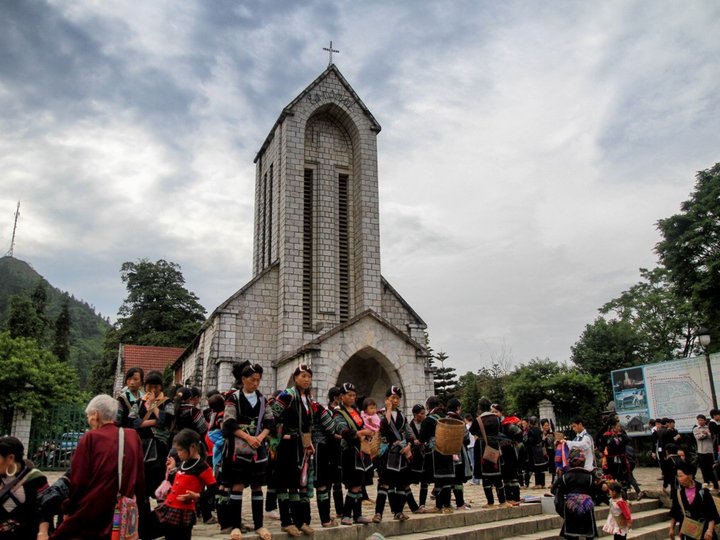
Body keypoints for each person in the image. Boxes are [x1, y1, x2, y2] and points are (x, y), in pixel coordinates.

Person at [51, 394, 145, 539]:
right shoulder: (132, 436)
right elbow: (139, 478)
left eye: (89, 416)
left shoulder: (91, 438)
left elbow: (78, 481)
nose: (89, 420)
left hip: (92, 511)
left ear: (95, 414)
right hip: (122, 513)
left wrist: (68, 507)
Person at [222, 361, 274, 540]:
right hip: (239, 447)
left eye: (258, 380)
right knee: (237, 485)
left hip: (258, 448)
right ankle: (235, 525)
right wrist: (248, 437)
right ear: (243, 379)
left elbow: (270, 422)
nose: (256, 384)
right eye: (252, 380)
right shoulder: (233, 398)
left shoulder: (262, 399)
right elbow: (229, 422)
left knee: (257, 486)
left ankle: (259, 525)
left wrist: (260, 437)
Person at [144, 429, 217, 540]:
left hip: (183, 512)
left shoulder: (203, 467)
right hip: (168, 507)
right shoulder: (184, 463)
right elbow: (179, 480)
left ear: (192, 447)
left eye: (180, 450)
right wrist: (173, 469)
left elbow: (213, 488)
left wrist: (197, 496)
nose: (178, 453)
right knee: (145, 528)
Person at [271, 364, 316, 536]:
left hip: (301, 444)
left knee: (297, 483)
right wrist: (279, 436)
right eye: (303, 376)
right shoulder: (287, 395)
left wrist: (308, 441)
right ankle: (286, 521)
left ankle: (299, 521)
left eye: (309, 377)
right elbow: (272, 414)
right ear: (295, 377)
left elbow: (307, 423)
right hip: (286, 444)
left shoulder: (307, 398)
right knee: (284, 481)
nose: (306, 379)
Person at [129, 370, 175, 500]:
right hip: (141, 444)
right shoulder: (138, 403)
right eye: (150, 386)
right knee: (143, 478)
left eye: (156, 386)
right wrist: (155, 422)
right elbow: (134, 422)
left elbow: (167, 420)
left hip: (160, 446)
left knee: (159, 476)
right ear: (145, 387)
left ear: (161, 387)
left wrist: (153, 405)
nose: (153, 389)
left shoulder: (167, 402)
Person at [335, 382, 374, 525]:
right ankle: (346, 515)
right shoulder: (338, 412)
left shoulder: (355, 411)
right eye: (349, 395)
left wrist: (367, 433)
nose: (352, 398)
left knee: (359, 484)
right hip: (349, 451)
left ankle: (358, 515)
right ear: (341, 396)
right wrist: (360, 433)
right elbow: (342, 430)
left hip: (360, 451)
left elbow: (361, 426)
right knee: (354, 484)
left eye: (353, 395)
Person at [374, 386, 415, 522]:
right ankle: (378, 513)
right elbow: (386, 425)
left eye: (397, 398)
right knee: (384, 483)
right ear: (387, 399)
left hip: (401, 453)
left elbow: (409, 434)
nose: (395, 401)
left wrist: (409, 445)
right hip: (387, 453)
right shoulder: (380, 414)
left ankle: (399, 511)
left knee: (402, 483)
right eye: (393, 398)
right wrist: (389, 409)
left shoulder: (403, 416)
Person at [0, 437, 50, 539]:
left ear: (10, 458)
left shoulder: (36, 478)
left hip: (28, 534)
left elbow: (46, 509)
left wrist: (43, 532)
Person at [469, 397, 508, 508]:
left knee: (485, 475)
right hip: (495, 447)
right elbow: (500, 431)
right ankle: (502, 501)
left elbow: (472, 431)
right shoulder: (496, 418)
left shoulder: (479, 420)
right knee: (497, 474)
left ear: (479, 407)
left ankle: (490, 502)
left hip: (482, 447)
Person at [553, 448, 598, 540]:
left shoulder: (565, 477)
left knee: (571, 534)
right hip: (587, 507)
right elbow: (594, 491)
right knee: (588, 532)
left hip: (570, 507)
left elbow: (555, 489)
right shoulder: (589, 477)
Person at [669, 461, 719, 540]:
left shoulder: (703, 491)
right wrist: (671, 528)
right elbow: (675, 511)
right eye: (678, 476)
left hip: (704, 532)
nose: (679, 479)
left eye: (681, 476)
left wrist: (709, 530)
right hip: (687, 532)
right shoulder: (678, 492)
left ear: (690, 475)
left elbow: (712, 513)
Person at [446, 398, 472, 510]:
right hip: (458, 453)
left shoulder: (444, 419)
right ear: (457, 408)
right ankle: (460, 503)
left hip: (446, 452)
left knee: (450, 479)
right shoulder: (459, 420)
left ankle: (448, 503)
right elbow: (466, 437)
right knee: (458, 480)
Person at [693, 414, 719, 490]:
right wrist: (705, 434)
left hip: (710, 451)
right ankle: (706, 483)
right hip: (701, 451)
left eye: (702, 420)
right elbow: (698, 437)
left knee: (711, 468)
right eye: (699, 420)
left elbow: (713, 437)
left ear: (705, 420)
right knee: (704, 469)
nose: (700, 421)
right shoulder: (696, 429)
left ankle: (715, 484)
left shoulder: (709, 427)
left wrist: (708, 434)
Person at [526, 416, 548, 488]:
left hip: (534, 450)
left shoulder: (531, 431)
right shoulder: (540, 430)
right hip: (540, 449)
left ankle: (538, 484)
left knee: (536, 468)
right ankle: (543, 484)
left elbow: (530, 441)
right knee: (541, 467)